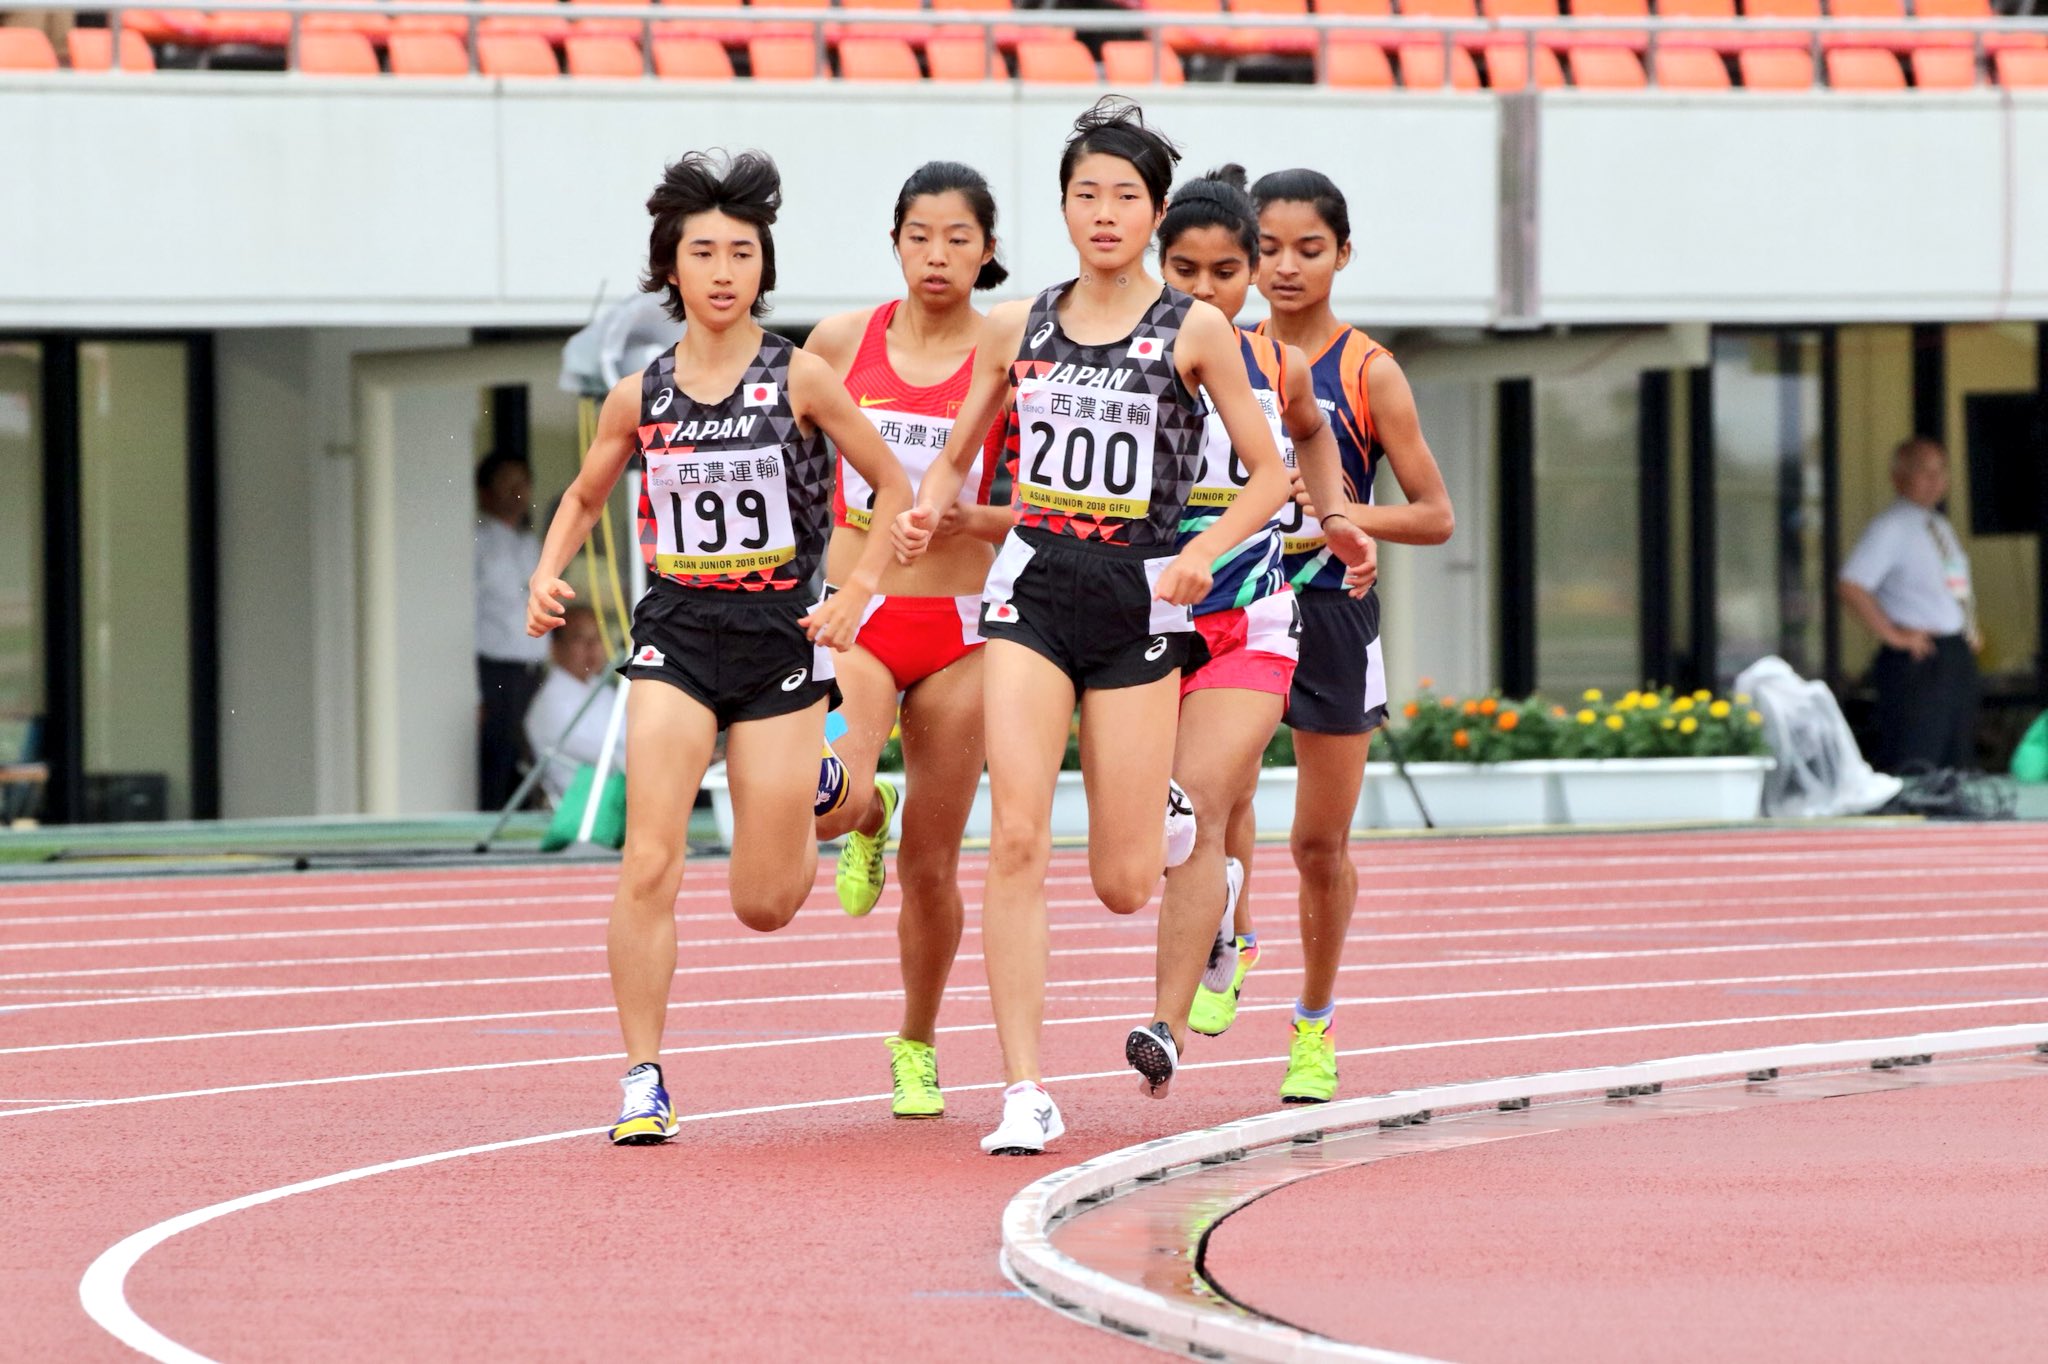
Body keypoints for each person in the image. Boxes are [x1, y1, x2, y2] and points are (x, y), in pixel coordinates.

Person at [893, 98, 1294, 1155]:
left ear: (1153, 212)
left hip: (1137, 601)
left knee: (1122, 882)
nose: (1103, 213)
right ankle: (1023, 1087)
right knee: (1015, 833)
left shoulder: (1191, 326)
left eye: (1123, 197)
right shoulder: (1015, 321)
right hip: (1032, 593)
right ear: (1063, 210)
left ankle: (1185, 861)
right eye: (1084, 195)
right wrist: (932, 496)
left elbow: (1267, 474)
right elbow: (957, 446)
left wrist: (1204, 554)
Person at [527, 150, 912, 1146]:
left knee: (765, 901)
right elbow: (582, 492)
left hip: (781, 646)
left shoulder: (803, 378)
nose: (723, 270)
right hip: (676, 639)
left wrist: (856, 594)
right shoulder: (638, 395)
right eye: (703, 252)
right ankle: (641, 1074)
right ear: (672, 268)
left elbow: (894, 488)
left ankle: (860, 799)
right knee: (647, 856)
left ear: (761, 267)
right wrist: (548, 570)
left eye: (740, 252)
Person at [1205, 168, 1454, 1105]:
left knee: (1320, 842)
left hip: (1336, 611)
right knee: (1218, 788)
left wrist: (1351, 517)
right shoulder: (1222, 350)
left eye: (1309, 249)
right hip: (1241, 595)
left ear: (1343, 254)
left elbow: (1435, 515)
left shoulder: (1368, 371)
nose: (1285, 267)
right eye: (1267, 248)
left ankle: (1313, 1024)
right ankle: (1232, 924)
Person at [1148, 166, 1375, 1085]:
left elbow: (1315, 435)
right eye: (1187, 272)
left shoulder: (1288, 365)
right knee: (1187, 814)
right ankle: (1224, 918)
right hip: (1165, 609)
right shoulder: (1129, 353)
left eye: (1226, 271)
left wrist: (1340, 518)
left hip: (1276, 605)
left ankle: (1279, 1018)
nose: (1207, 291)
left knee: (1264, 822)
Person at [802, 160, 1012, 1120]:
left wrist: (973, 521)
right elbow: (792, 473)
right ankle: (865, 816)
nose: (938, 255)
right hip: (863, 611)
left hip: (964, 630)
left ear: (989, 250)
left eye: (958, 238)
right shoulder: (842, 343)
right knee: (827, 804)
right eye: (920, 235)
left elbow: (1052, 507)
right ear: (895, 241)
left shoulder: (1010, 351)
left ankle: (917, 1041)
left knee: (934, 865)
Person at [1837, 436, 1981, 773]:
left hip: (1953, 652)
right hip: (1918, 657)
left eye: (1941, 472)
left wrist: (1969, 627)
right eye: (1924, 472)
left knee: (1957, 757)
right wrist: (1893, 635)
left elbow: (1951, 585)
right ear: (1898, 477)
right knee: (1917, 758)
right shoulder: (1891, 527)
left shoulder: (1939, 526)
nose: (1935, 481)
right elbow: (1851, 585)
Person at [475, 450, 549, 811]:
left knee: (532, 762)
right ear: (485, 492)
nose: (517, 491)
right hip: (495, 669)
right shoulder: (476, 542)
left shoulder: (529, 543)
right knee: (497, 762)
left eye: (522, 482)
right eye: (507, 484)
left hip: (533, 669)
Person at [523, 603, 626, 805]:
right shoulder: (550, 701)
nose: (592, 647)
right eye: (580, 639)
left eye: (597, 638)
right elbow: (598, 752)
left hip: (617, 792)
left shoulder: (602, 689)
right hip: (581, 803)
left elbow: (628, 735)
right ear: (555, 648)